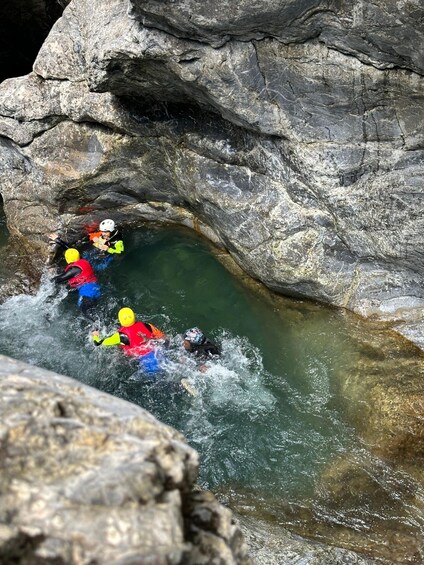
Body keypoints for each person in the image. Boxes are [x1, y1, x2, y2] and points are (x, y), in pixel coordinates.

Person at [91, 307, 167, 375]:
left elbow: (98, 343)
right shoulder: (147, 325)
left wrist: (95, 335)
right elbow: (163, 337)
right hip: (158, 352)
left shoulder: (120, 336)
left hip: (145, 360)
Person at [49, 219, 124, 270]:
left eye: (105, 232)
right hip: (95, 252)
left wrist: (108, 249)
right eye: (102, 232)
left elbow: (120, 253)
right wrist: (97, 241)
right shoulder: (104, 235)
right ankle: (58, 241)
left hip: (105, 257)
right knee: (77, 255)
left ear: (111, 231)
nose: (103, 234)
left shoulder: (118, 241)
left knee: (88, 266)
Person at [51, 248, 101, 321]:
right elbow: (71, 250)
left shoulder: (73, 270)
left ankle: (98, 329)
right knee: (91, 311)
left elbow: (57, 279)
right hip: (95, 288)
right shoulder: (83, 261)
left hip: (87, 293)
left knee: (86, 313)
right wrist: (58, 241)